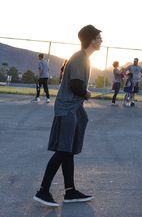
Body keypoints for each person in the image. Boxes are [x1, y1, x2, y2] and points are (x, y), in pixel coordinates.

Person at [33, 25, 103, 207]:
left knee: (68, 150)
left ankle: (70, 191)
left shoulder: (83, 57)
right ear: (91, 40)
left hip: (73, 109)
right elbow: (75, 85)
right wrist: (87, 93)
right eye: (98, 37)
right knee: (63, 150)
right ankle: (43, 191)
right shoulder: (80, 58)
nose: (101, 40)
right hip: (67, 109)